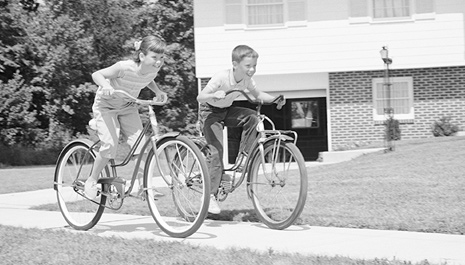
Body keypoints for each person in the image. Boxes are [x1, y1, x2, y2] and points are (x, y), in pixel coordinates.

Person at [197, 45, 284, 214]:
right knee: (216, 152)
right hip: (210, 112)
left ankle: (243, 157)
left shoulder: (246, 80)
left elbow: (258, 95)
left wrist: (274, 99)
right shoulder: (221, 77)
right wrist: (213, 95)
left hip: (226, 110)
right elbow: (200, 97)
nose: (252, 69)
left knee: (252, 116)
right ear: (235, 64)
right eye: (248, 66)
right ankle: (209, 196)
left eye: (254, 66)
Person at [85, 35, 168, 199]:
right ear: (142, 56)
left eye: (161, 57)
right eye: (154, 57)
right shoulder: (124, 67)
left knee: (141, 146)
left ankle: (143, 187)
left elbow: (146, 79)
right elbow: (97, 74)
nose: (158, 62)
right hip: (106, 106)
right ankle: (91, 180)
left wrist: (157, 91)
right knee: (109, 145)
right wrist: (106, 85)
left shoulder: (154, 69)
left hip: (128, 107)